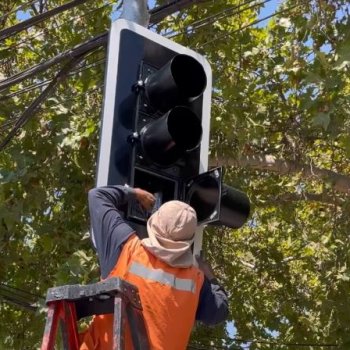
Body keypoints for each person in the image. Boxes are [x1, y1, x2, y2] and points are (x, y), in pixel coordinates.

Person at [79, 185, 229, 350]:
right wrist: (210, 276)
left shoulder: (126, 248)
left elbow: (97, 196)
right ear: (188, 241)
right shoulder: (196, 280)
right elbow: (219, 312)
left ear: (155, 222)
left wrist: (135, 193)